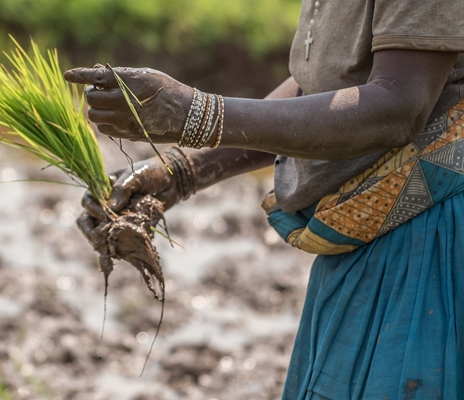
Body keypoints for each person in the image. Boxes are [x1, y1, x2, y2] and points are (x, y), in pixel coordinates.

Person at [65, 0, 464, 397]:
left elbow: (397, 107)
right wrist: (183, 169)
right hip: (357, 238)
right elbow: (325, 84)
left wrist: (198, 114)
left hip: (429, 240)